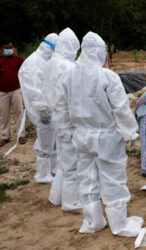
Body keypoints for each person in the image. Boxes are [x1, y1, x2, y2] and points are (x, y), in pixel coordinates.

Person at [58, 31, 143, 235]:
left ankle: (93, 222)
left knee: (86, 179)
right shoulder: (107, 76)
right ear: (99, 52)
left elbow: (63, 108)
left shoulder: (68, 76)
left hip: (81, 136)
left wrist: (68, 131)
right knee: (113, 180)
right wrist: (131, 133)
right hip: (106, 137)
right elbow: (120, 108)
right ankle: (119, 224)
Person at [42, 27, 82, 212]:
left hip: (56, 115)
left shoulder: (51, 62)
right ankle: (71, 202)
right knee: (72, 162)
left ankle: (56, 196)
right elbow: (74, 97)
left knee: (63, 160)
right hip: (67, 118)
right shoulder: (68, 66)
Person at [18, 33, 58, 183]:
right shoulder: (33, 62)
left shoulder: (43, 60)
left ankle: (53, 169)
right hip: (40, 110)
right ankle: (42, 174)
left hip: (48, 107)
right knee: (45, 140)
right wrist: (41, 107)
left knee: (52, 139)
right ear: (49, 48)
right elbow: (32, 88)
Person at [0, 40, 26, 146]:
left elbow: (27, 66)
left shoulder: (18, 59)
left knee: (19, 112)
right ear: (2, 49)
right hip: (2, 91)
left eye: (11, 48)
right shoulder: (0, 60)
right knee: (4, 114)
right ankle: (5, 136)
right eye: (7, 48)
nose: (9, 50)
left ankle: (21, 135)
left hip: (16, 89)